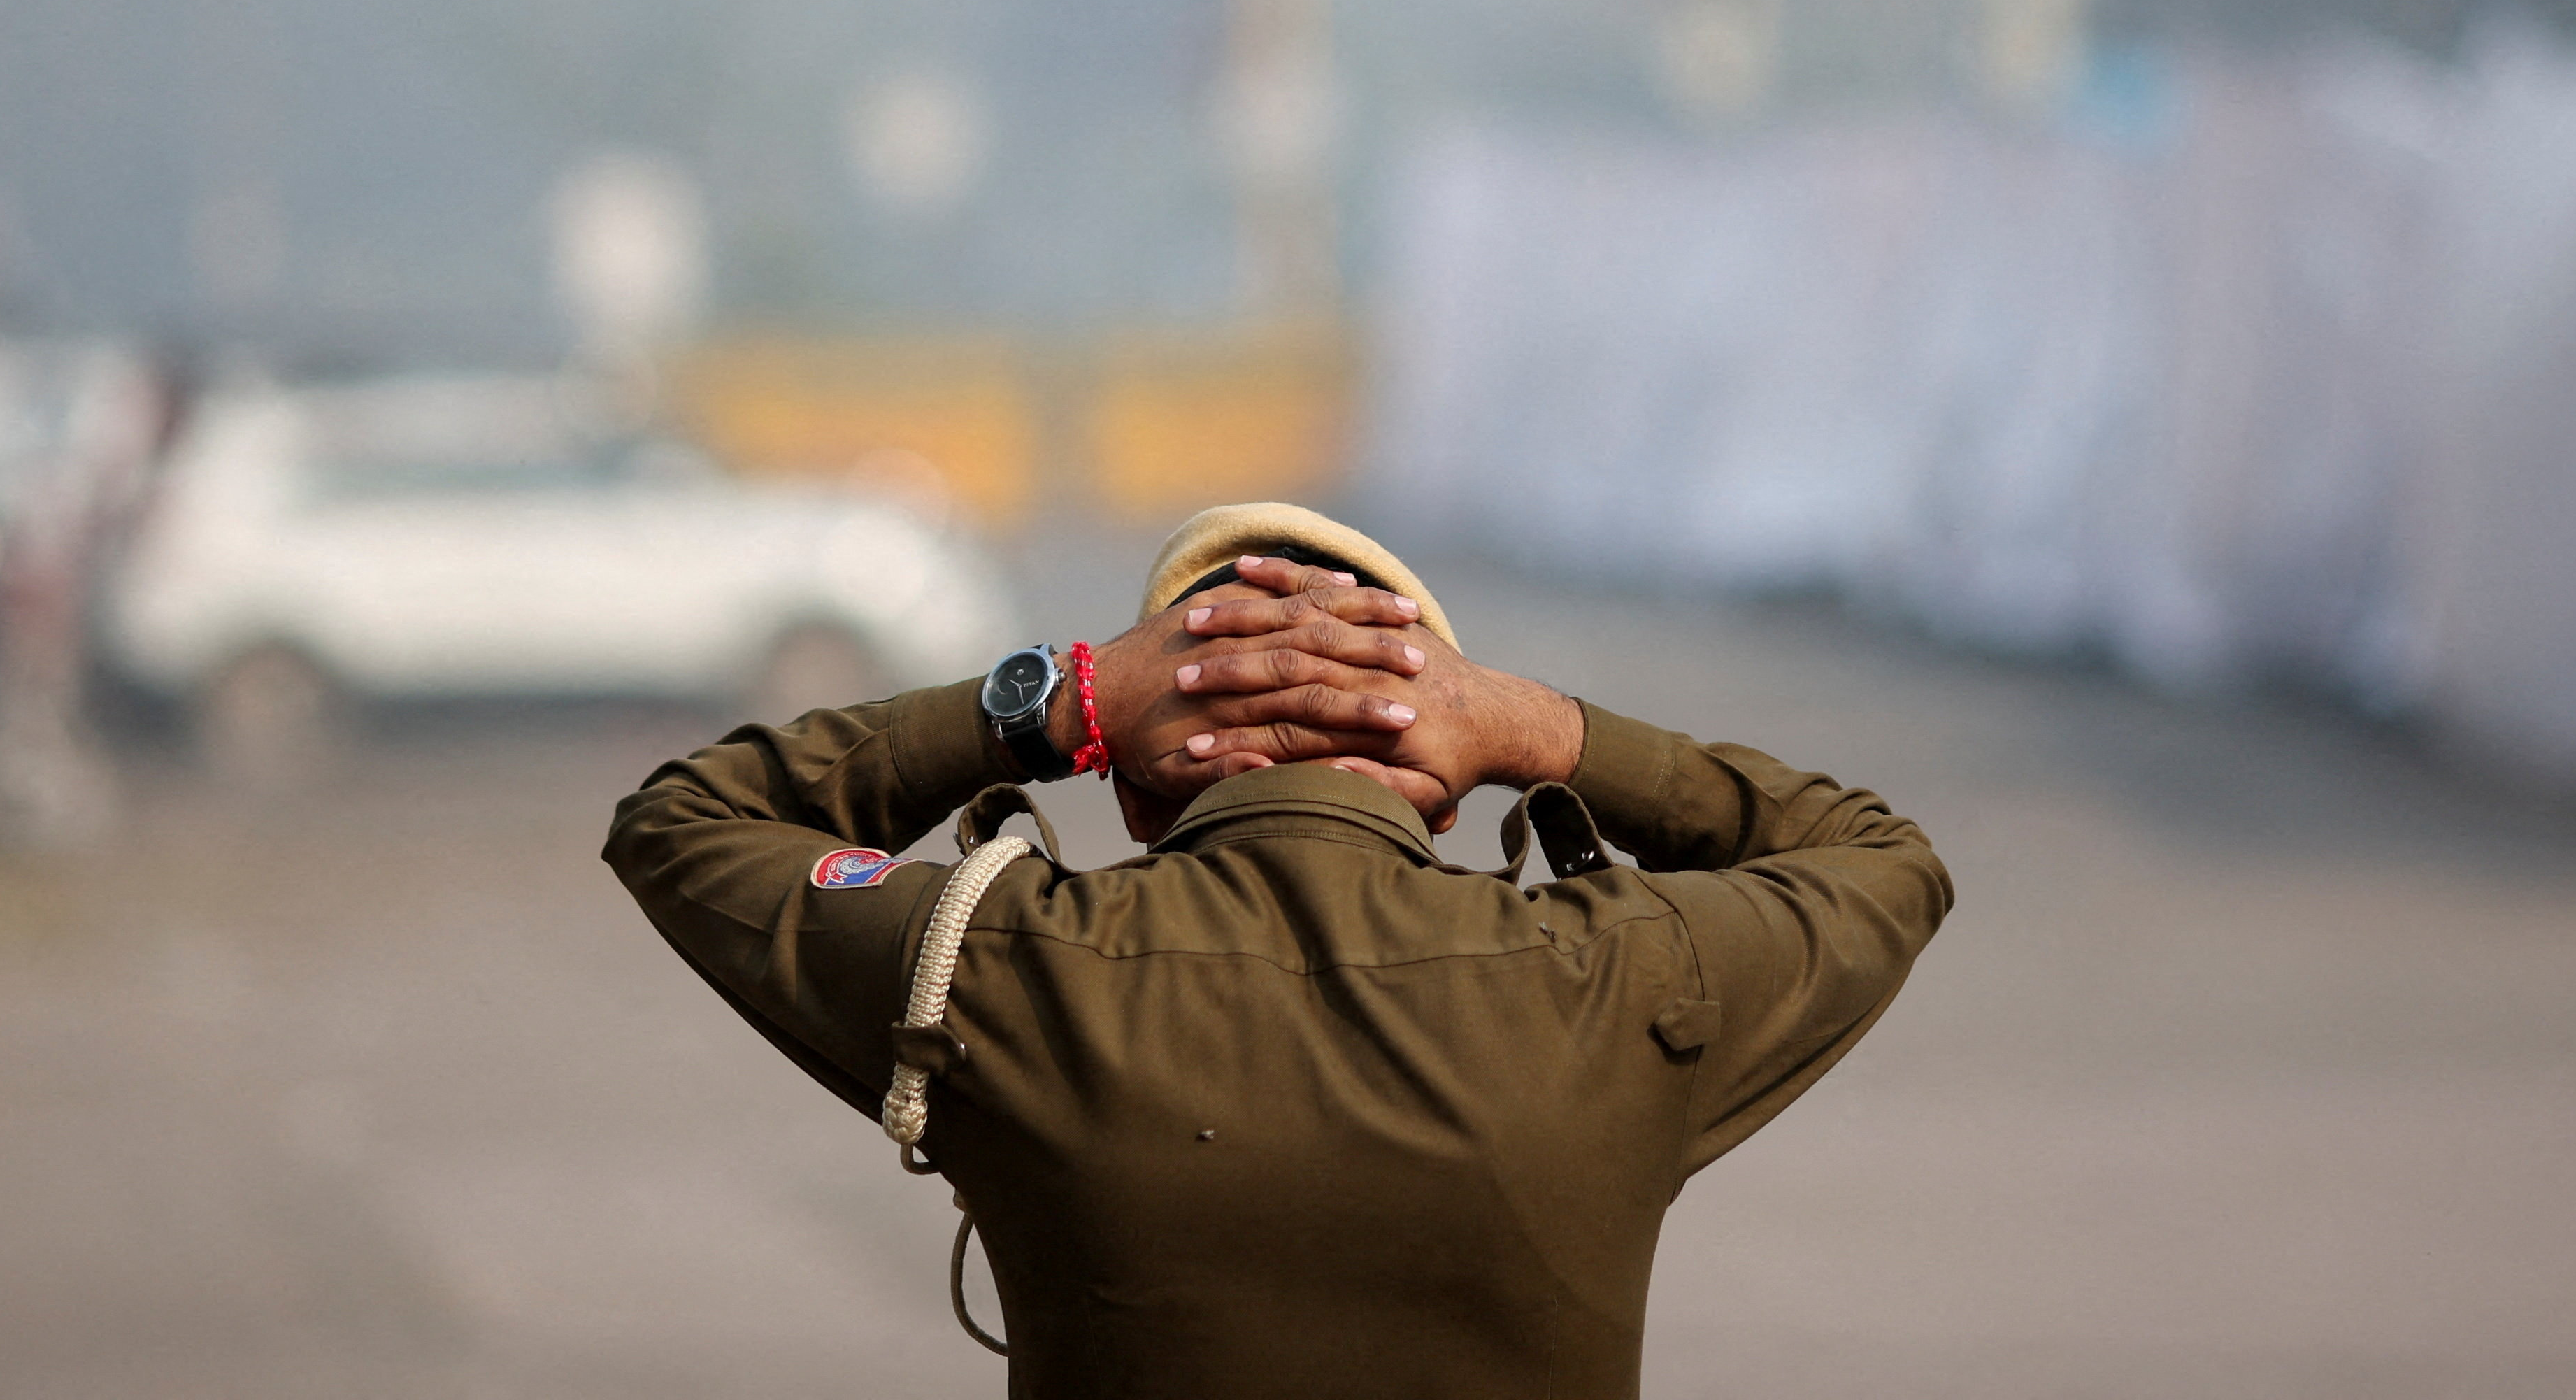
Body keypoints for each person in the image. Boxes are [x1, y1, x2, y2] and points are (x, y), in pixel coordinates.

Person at [604, 501, 1951, 1400]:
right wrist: (1536, 728)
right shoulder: (1627, 977)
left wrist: (1060, 699)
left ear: (1135, 792)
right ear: (1442, 788)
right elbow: (1881, 861)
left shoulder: (1002, 967)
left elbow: (685, 823)